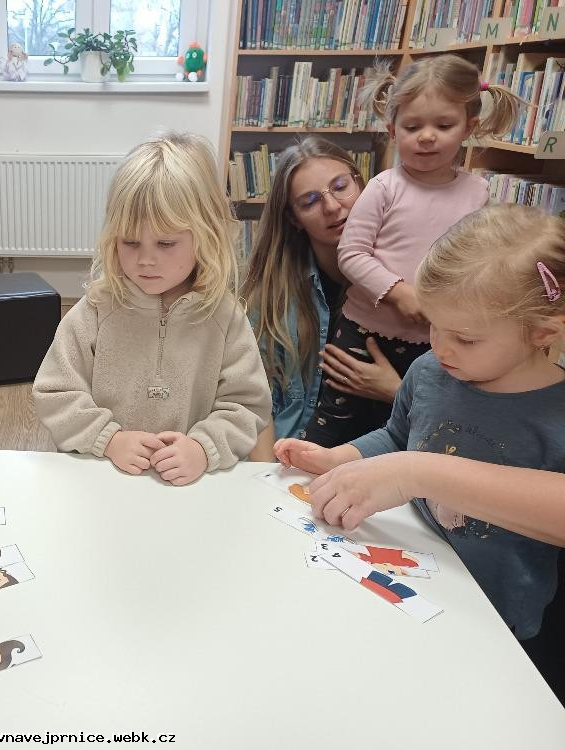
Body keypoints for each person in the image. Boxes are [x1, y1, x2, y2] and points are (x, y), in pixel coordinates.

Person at [274, 205, 565, 692]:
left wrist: (415, 472)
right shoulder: (431, 371)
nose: (441, 348)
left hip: (496, 616)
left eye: (465, 338)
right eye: (433, 325)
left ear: (543, 333)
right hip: (414, 574)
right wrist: (336, 457)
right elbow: (397, 437)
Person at [301, 54, 525, 446]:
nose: (426, 136)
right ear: (392, 130)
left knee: (414, 426)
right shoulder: (384, 187)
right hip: (363, 331)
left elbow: (477, 264)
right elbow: (351, 253)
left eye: (443, 125)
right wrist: (399, 292)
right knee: (333, 423)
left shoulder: (477, 193)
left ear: (469, 127)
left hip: (435, 340)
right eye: (412, 126)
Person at [32, 132, 271, 485]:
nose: (145, 259)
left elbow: (248, 405)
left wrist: (203, 447)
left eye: (166, 243)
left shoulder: (225, 317)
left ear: (205, 235)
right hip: (101, 478)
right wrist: (108, 439)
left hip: (190, 486)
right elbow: (54, 392)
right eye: (130, 241)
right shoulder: (96, 309)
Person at [242, 137, 401, 456]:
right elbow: (256, 403)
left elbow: (447, 404)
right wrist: (268, 474)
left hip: (386, 459)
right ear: (293, 218)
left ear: (363, 185)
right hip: (300, 456)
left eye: (340, 187)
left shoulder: (402, 279)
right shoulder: (272, 297)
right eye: (310, 201)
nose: (332, 207)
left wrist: (395, 391)